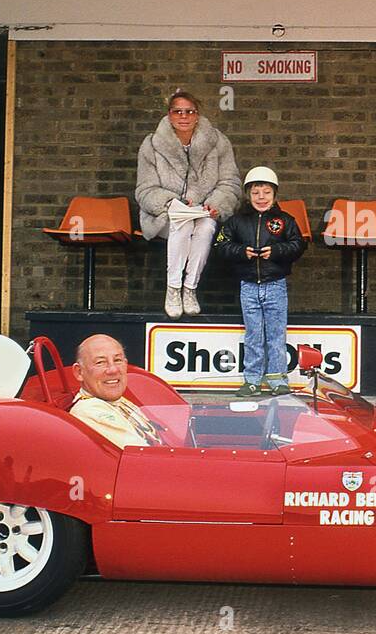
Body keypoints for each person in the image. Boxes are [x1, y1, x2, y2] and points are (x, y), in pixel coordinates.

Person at [135, 90, 241, 319]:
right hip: (163, 216)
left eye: (189, 111)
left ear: (197, 114)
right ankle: (173, 289)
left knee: (205, 226)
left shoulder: (218, 142)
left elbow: (230, 182)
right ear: (169, 115)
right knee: (182, 224)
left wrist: (216, 204)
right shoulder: (151, 145)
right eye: (178, 111)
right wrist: (171, 203)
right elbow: (144, 190)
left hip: (202, 213)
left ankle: (190, 288)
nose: (184, 116)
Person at [215, 167, 307, 396]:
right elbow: (220, 245)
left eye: (266, 192)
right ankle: (252, 380)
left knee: (276, 335)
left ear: (275, 195)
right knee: (254, 334)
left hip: (275, 284)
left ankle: (278, 380)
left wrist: (275, 251)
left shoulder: (286, 220)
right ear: (248, 194)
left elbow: (298, 245)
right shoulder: (236, 221)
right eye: (256, 192)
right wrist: (241, 252)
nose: (261, 197)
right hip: (247, 286)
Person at [68, 334, 165, 448]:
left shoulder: (113, 400)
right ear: (79, 372)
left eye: (117, 360)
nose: (113, 369)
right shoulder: (90, 410)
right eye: (100, 362)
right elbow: (144, 457)